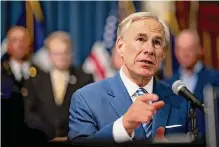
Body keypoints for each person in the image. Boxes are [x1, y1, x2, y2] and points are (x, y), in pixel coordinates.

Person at [68, 12, 188, 144]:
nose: (149, 49)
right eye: (141, 39)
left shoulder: (181, 100)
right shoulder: (86, 99)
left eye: (157, 42)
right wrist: (123, 127)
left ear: (162, 54)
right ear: (120, 47)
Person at [23, 31, 94, 142]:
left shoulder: (85, 79)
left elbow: (89, 113)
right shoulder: (35, 80)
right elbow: (29, 113)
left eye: (65, 52)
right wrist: (47, 134)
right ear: (49, 55)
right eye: (56, 53)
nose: (61, 57)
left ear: (71, 53)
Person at [166, 29, 219, 140]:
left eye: (189, 48)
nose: (185, 54)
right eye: (180, 49)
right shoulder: (169, 84)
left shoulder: (214, 79)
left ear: (200, 49)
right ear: (175, 51)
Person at [1, 26, 48, 146]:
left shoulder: (42, 74)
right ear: (7, 45)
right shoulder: (1, 73)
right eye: (15, 40)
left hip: (35, 136)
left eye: (24, 40)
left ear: (30, 44)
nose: (20, 44)